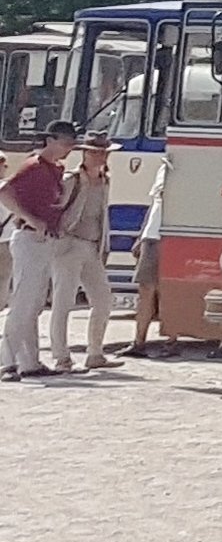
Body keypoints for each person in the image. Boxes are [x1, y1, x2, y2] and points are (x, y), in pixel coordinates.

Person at [0, 120, 78, 380]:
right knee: (23, 302)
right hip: (29, 238)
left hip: (45, 241)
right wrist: (31, 218)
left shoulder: (55, 169)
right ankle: (6, 361)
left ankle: (29, 362)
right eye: (65, 143)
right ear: (51, 140)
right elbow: (5, 191)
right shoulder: (33, 166)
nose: (68, 149)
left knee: (34, 305)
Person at [52, 130, 118, 371]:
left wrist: (104, 246)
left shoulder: (105, 180)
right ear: (85, 154)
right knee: (63, 302)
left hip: (91, 246)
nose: (101, 157)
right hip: (68, 244)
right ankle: (61, 357)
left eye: (104, 153)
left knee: (103, 299)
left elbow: (102, 216)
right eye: (96, 152)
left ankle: (95, 353)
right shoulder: (72, 180)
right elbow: (57, 208)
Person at [124, 154, 170, 358]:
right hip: (152, 235)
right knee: (145, 289)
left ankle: (172, 339)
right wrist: (141, 236)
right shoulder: (163, 166)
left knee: (169, 290)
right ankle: (139, 341)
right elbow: (154, 203)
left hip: (173, 234)